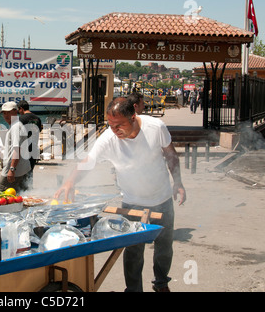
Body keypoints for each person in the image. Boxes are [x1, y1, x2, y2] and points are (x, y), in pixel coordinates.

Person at [55, 97, 186, 292]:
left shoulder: (155, 127)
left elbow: (170, 154)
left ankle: (161, 283)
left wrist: (179, 182)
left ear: (133, 117)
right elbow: (88, 162)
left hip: (162, 197)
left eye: (119, 125)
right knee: (133, 250)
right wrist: (70, 181)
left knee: (164, 246)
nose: (115, 131)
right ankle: (133, 289)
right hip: (132, 201)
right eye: (111, 125)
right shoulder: (109, 138)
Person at [0, 101, 32, 193]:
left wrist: (12, 169)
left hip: (15, 170)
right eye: (4, 113)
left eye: (8, 112)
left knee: (2, 194)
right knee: (20, 196)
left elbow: (17, 149)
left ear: (15, 111)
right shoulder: (15, 125)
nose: (6, 115)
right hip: (21, 169)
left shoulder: (16, 127)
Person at [17, 100, 42, 190]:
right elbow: (39, 131)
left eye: (18, 110)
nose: (18, 112)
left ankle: (22, 192)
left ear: (21, 109)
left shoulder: (21, 119)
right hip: (34, 149)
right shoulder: (37, 119)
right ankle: (29, 191)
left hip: (24, 149)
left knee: (21, 172)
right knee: (30, 172)